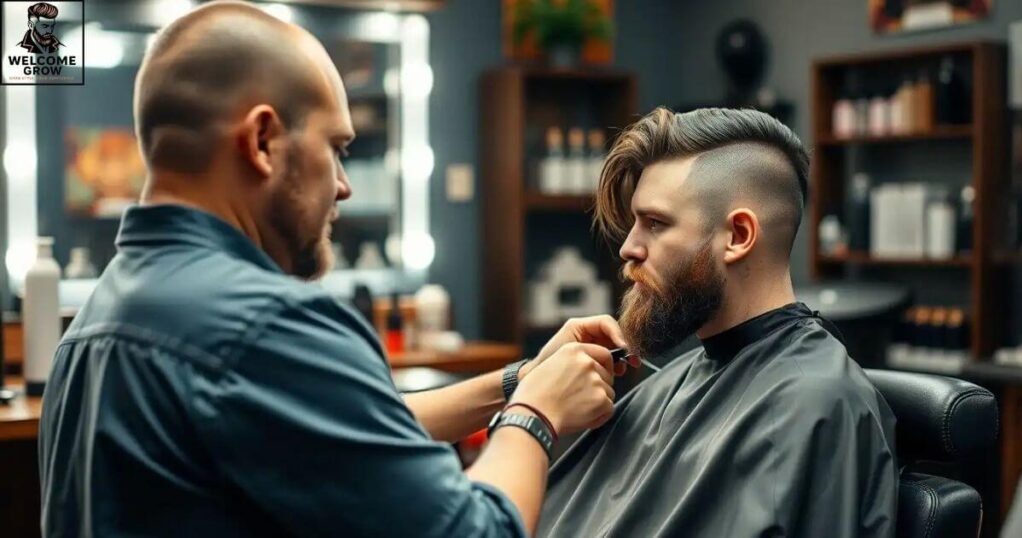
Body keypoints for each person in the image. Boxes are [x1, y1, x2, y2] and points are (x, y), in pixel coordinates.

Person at [37, 2, 636, 536]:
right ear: (263, 140)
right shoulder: (266, 324)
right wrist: (535, 417)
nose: (345, 186)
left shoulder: (98, 316)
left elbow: (343, 429)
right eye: (337, 148)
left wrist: (518, 382)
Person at [538, 107, 898, 538]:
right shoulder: (669, 382)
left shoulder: (819, 405)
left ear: (739, 236)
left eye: (655, 223)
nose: (629, 248)